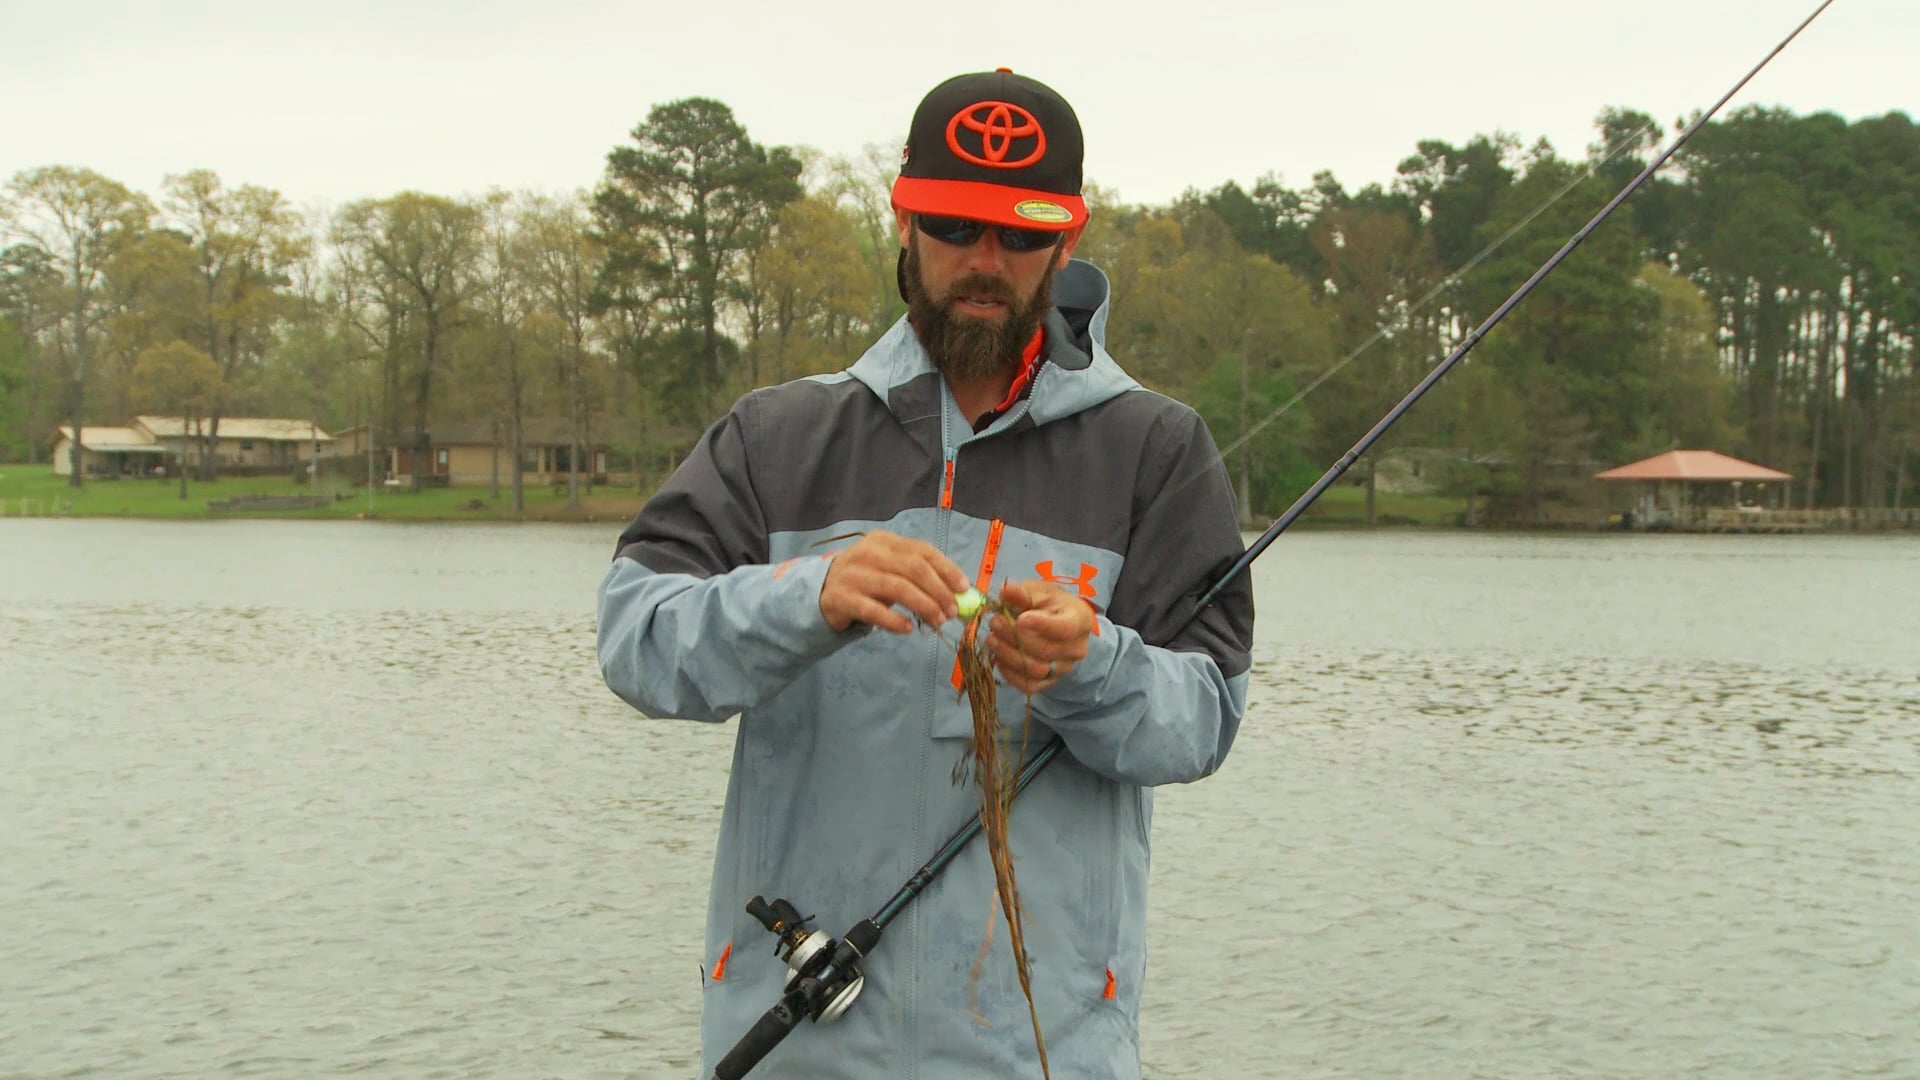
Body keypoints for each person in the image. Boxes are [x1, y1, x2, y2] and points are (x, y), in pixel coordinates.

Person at [597, 67, 1254, 1079]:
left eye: (1021, 234)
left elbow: (1204, 716)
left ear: (1066, 241)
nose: (983, 261)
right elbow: (635, 638)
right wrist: (802, 597)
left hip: (1043, 1051)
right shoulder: (777, 437)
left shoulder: (1158, 450)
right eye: (953, 226)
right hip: (794, 1042)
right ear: (902, 224)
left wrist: (1091, 664)